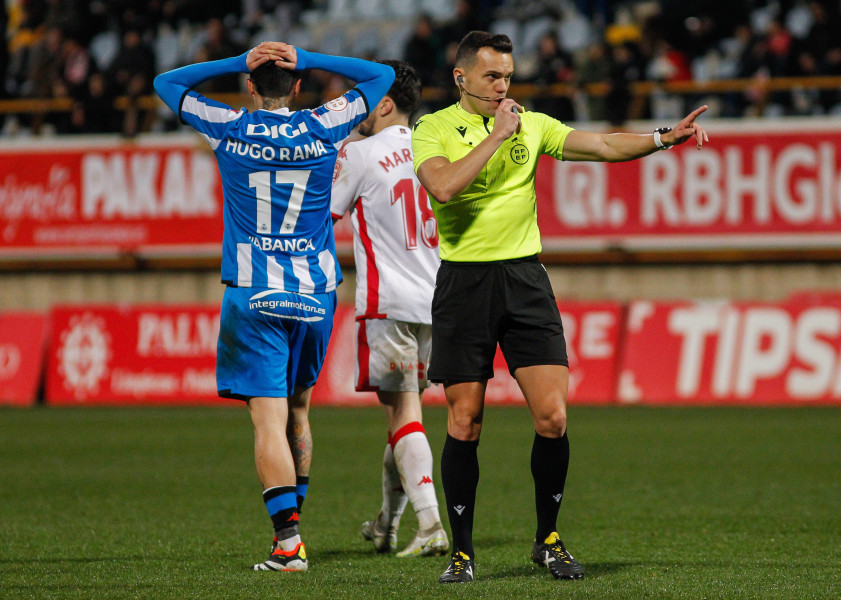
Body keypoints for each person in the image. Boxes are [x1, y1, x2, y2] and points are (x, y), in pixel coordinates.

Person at [411, 30, 709, 584]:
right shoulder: (431, 130)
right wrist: (498, 137)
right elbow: (445, 188)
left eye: (508, 76)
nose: (504, 87)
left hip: (524, 278)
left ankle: (547, 539)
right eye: (492, 77)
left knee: (552, 417)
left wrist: (663, 137)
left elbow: (599, 146)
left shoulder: (532, 122)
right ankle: (463, 551)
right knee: (465, 421)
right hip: (464, 284)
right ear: (461, 78)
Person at [154, 42, 394, 572]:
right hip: (314, 294)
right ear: (299, 86)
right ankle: (292, 529)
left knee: (267, 420)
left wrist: (236, 60)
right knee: (299, 408)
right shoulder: (322, 125)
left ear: (249, 86)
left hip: (254, 291)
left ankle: (289, 544)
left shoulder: (229, 127)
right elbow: (380, 75)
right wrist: (307, 54)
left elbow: (166, 83)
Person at [330, 60, 449, 559]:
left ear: (382, 103)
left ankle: (431, 524)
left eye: (361, 96)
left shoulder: (360, 154)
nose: (356, 106)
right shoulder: (436, 151)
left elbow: (324, 215)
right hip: (437, 302)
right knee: (406, 419)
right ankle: (387, 524)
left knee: (403, 413)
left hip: (387, 303)